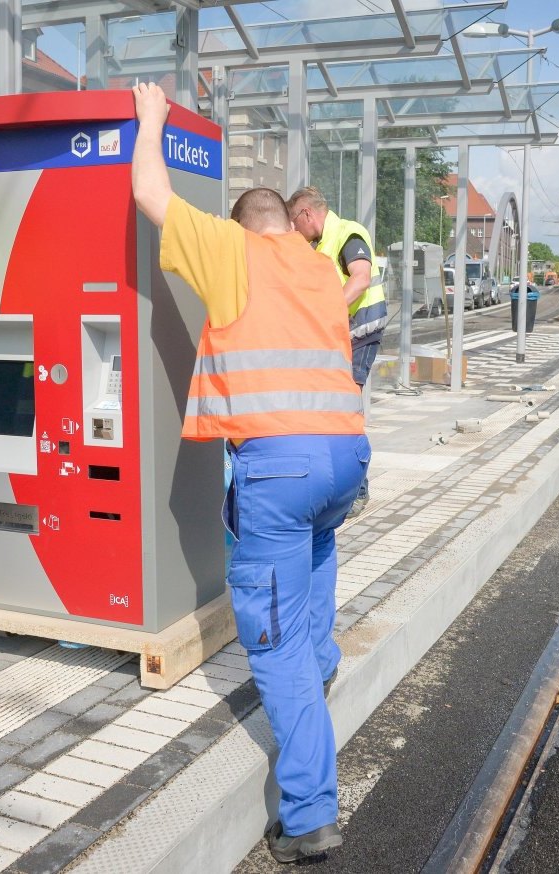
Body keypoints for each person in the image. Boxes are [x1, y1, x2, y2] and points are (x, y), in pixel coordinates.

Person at [131, 82, 369, 864]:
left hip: (280, 466)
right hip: (344, 460)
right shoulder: (316, 267)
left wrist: (152, 120)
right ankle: (322, 669)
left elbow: (148, 191)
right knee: (316, 574)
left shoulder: (232, 249)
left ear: (241, 225)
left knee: (272, 645)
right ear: (286, 222)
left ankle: (309, 816)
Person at [286, 186, 385, 517]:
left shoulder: (347, 234)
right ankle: (343, 482)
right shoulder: (323, 242)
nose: (296, 233)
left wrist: (323, 313)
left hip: (361, 332)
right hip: (343, 335)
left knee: (346, 411)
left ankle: (358, 489)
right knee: (334, 409)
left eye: (294, 224)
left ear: (306, 214)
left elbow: (360, 280)